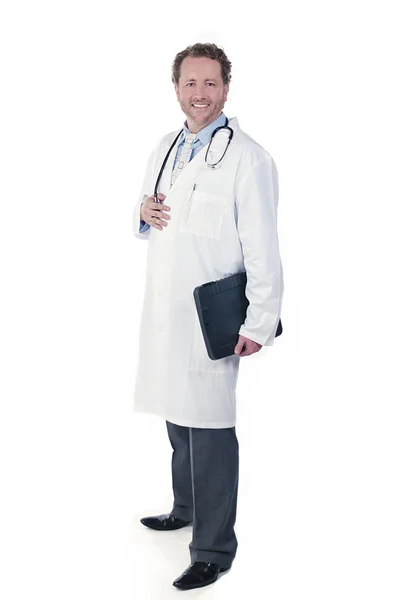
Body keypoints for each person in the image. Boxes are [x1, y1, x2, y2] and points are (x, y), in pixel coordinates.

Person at [131, 43, 284, 591]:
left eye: (210, 83)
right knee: (177, 416)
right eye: (190, 83)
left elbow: (263, 246)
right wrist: (141, 214)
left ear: (226, 89)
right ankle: (185, 506)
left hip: (212, 315)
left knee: (211, 428)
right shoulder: (165, 148)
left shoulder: (249, 157)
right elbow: (150, 211)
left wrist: (259, 320)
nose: (200, 93)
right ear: (176, 88)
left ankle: (215, 549)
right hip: (167, 311)